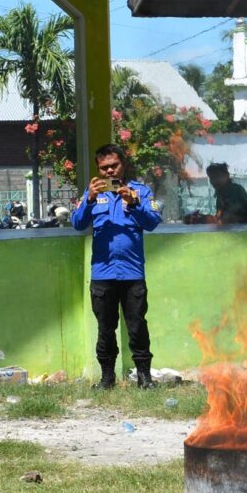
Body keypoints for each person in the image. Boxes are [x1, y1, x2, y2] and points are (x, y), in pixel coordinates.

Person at [70, 141, 161, 388]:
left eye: (114, 165)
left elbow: (153, 222)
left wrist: (134, 204)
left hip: (132, 273)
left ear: (123, 165)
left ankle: (145, 377)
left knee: (137, 326)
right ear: (99, 169)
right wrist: (89, 199)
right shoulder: (93, 194)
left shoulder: (140, 192)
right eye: (104, 167)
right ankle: (107, 378)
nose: (109, 172)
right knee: (105, 329)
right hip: (103, 273)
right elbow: (77, 224)